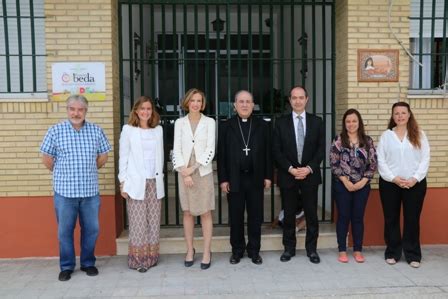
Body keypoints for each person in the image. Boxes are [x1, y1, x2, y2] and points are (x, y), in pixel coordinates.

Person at [40, 95, 111, 281]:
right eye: (72, 108)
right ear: (67, 109)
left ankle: (88, 263)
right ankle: (67, 266)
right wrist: (60, 173)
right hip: (65, 193)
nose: (76, 113)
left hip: (90, 192)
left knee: (92, 229)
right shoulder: (55, 131)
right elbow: (46, 157)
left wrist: (90, 167)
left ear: (86, 111)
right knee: (65, 231)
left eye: (80, 109)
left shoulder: (96, 131)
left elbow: (104, 155)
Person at [218, 90, 272, 265]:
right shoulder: (226, 126)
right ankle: (237, 250)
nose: (244, 105)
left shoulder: (263, 126)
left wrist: (268, 176)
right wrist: (223, 179)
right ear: (235, 105)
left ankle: (254, 251)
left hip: (255, 178)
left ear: (253, 104)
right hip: (234, 178)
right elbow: (222, 155)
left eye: (248, 101)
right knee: (236, 216)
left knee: (255, 217)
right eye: (241, 101)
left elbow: (268, 154)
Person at [273, 85, 325, 264]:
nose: (297, 101)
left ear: (306, 99)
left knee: (311, 213)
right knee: (288, 214)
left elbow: (320, 150)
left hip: (309, 175)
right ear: (290, 100)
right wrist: (291, 169)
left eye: (301, 97)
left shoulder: (317, 122)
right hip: (288, 175)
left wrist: (308, 168)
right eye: (294, 98)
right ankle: (289, 249)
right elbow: (276, 150)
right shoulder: (280, 123)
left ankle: (312, 250)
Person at [377, 101, 430, 268]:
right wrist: (394, 178)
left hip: (415, 184)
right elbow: (381, 160)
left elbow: (425, 159)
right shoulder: (386, 136)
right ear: (392, 116)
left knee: (412, 219)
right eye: (396, 113)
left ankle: (413, 254)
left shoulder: (419, 135)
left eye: (403, 113)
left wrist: (414, 178)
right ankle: (392, 252)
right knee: (391, 219)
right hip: (390, 184)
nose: (400, 116)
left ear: (409, 115)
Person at [118, 96, 164, 273]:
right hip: (136, 182)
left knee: (153, 221)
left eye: (149, 109)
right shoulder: (128, 130)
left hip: (154, 181)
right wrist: (123, 182)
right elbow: (123, 157)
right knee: (138, 223)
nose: (146, 112)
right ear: (136, 111)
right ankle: (138, 260)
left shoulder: (157, 130)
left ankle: (151, 258)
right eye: (142, 109)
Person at [172, 88, 215, 270]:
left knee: (205, 212)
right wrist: (184, 171)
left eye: (199, 100)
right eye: (192, 100)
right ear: (187, 103)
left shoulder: (209, 122)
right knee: (188, 212)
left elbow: (210, 149)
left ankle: (206, 251)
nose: (196, 104)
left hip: (202, 170)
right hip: (184, 170)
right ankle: (190, 250)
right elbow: (176, 148)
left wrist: (193, 169)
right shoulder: (179, 123)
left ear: (202, 103)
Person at [329, 109, 377, 263]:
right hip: (343, 185)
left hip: (362, 186)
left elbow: (373, 164)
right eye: (348, 121)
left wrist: (363, 182)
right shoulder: (338, 141)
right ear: (344, 123)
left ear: (359, 122)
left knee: (357, 218)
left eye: (354, 121)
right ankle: (342, 250)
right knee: (343, 217)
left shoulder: (367, 141)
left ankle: (357, 250)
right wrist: (346, 181)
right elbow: (334, 164)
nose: (351, 124)